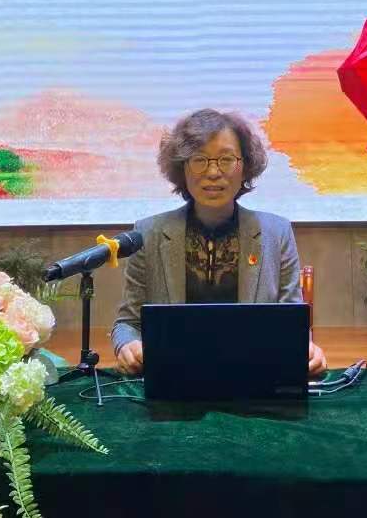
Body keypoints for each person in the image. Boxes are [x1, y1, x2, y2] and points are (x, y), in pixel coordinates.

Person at [112, 108, 327, 377]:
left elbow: (292, 324)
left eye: (226, 159)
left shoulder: (277, 233)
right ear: (182, 168)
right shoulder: (148, 234)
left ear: (245, 166)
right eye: (199, 160)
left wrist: (307, 349)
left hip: (254, 378)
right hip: (174, 378)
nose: (213, 172)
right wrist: (128, 345)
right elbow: (127, 323)